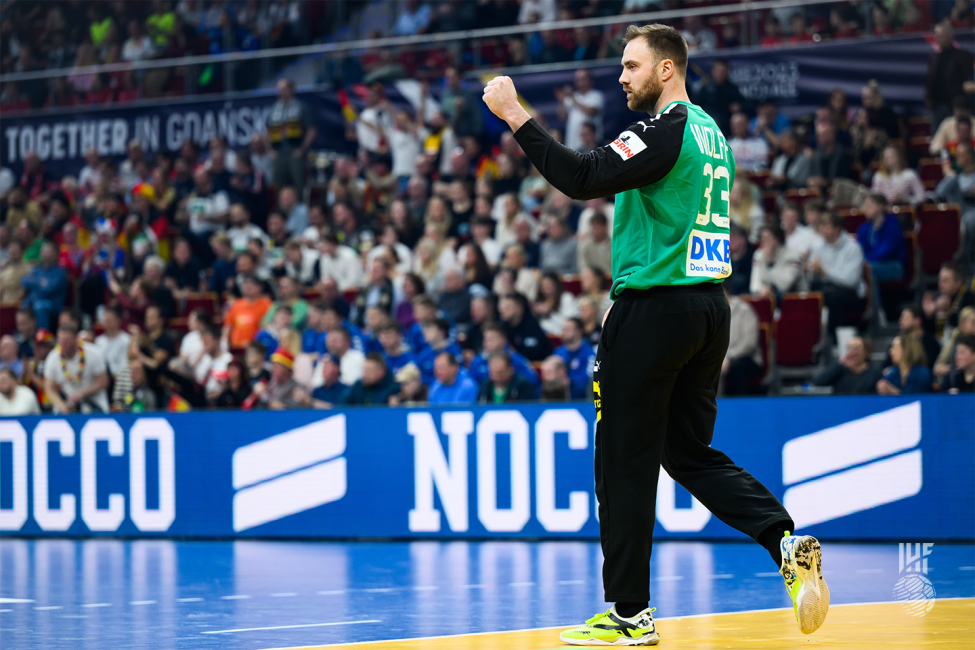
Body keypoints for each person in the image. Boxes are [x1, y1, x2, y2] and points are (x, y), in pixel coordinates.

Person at [483, 23, 826, 644]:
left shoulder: (663, 128)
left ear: (667, 70)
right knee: (687, 453)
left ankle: (629, 615)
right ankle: (784, 539)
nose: (622, 76)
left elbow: (582, 176)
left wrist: (514, 114)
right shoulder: (711, 132)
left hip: (655, 310)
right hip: (707, 309)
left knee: (622, 463)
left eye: (632, 65)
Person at [809, 213, 865, 340]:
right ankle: (812, 340)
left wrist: (825, 272)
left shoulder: (853, 247)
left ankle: (835, 340)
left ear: (837, 228)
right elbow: (812, 277)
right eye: (821, 226)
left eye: (826, 226)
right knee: (811, 296)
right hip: (825, 288)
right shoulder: (817, 245)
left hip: (850, 293)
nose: (822, 230)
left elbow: (851, 281)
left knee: (832, 298)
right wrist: (811, 270)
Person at [265, 77, 317, 196]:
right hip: (278, 155)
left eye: (283, 89)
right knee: (278, 187)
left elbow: (312, 130)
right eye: (278, 89)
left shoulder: (301, 107)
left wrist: (302, 149)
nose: (280, 92)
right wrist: (270, 151)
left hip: (295, 153)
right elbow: (266, 131)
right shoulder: (274, 109)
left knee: (298, 185)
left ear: (291, 89)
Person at [44, 322, 110, 414]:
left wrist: (83, 393)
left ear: (76, 339)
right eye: (61, 340)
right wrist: (61, 405)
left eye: (67, 340)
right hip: (67, 402)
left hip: (93, 400)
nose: (63, 344)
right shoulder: (53, 357)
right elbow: (49, 387)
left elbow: (103, 381)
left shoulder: (93, 353)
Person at [926, 21, 974, 129]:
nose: (938, 38)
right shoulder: (933, 57)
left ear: (951, 36)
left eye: (941, 35)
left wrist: (961, 104)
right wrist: (929, 101)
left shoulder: (963, 56)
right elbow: (929, 80)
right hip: (936, 105)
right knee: (937, 136)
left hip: (956, 107)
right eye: (936, 35)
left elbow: (968, 81)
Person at [721, 281, 764, 395]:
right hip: (723, 359)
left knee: (736, 368)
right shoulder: (715, 313)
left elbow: (749, 344)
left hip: (747, 358)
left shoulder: (745, 310)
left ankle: (739, 407)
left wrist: (728, 358)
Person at [556, 69, 605, 153]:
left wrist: (572, 98)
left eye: (582, 78)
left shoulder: (596, 95)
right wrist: (562, 101)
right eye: (577, 79)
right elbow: (562, 116)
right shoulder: (572, 96)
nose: (579, 81)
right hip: (573, 144)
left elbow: (591, 112)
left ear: (590, 80)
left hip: (591, 146)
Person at [813, 335, 882, 395]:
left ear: (866, 352)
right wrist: (839, 364)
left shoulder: (875, 373)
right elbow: (819, 382)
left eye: (857, 348)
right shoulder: (839, 370)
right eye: (850, 348)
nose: (853, 352)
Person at [22, 241, 68, 330]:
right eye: (43, 251)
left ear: (55, 254)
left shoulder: (60, 272)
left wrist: (35, 282)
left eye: (48, 252)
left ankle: (43, 337)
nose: (44, 254)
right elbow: (24, 281)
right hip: (33, 303)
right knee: (23, 307)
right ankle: (25, 337)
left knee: (40, 306)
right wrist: (40, 282)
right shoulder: (37, 270)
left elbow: (49, 289)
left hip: (53, 305)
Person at [749, 225, 802, 298]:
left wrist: (770, 263)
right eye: (762, 238)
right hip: (766, 295)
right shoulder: (759, 255)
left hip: (792, 298)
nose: (764, 242)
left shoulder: (793, 256)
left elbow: (784, 285)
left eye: (768, 238)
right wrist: (762, 289)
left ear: (777, 239)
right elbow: (754, 284)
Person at [498, 293, 552, 361]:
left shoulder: (532, 328)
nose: (501, 311)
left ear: (519, 308)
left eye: (506, 307)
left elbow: (534, 355)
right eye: (501, 308)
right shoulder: (502, 327)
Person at [224, 275, 273, 349]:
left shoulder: (267, 304)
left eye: (250, 285)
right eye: (245, 285)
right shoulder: (236, 304)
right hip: (236, 347)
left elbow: (269, 327)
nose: (247, 288)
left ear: (259, 287)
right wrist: (224, 343)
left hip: (256, 349)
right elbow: (228, 326)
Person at [554, 317, 595, 399]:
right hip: (557, 396)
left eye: (568, 329)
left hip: (581, 398)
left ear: (579, 331)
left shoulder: (589, 354)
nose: (564, 332)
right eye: (563, 329)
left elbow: (589, 381)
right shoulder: (558, 352)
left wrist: (570, 382)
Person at [94, 306, 132, 377]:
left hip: (119, 378)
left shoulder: (126, 340)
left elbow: (125, 364)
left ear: (118, 321)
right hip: (102, 376)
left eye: (110, 321)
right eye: (105, 321)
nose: (107, 324)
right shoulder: (99, 341)